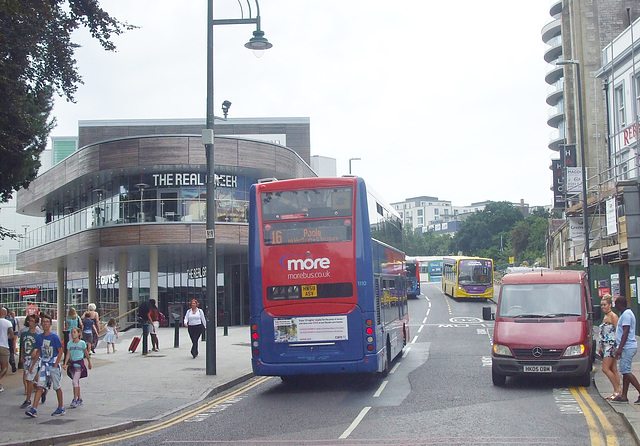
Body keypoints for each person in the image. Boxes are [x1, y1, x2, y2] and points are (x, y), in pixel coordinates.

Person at [26, 313, 65, 417]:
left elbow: (60, 351)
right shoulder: (39, 337)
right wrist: (33, 365)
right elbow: (38, 351)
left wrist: (56, 364)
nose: (45, 324)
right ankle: (34, 408)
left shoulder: (54, 337)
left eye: (47, 322)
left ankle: (61, 407)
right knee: (40, 386)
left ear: (50, 324)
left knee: (57, 387)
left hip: (52, 364)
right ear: (41, 324)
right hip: (44, 364)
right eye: (43, 322)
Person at [612, 297, 640, 403]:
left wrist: (620, 348)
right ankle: (624, 396)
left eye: (616, 304)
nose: (615, 306)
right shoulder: (626, 314)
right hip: (627, 347)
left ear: (620, 304)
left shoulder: (627, 315)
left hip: (627, 347)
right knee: (625, 371)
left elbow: (626, 331)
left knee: (626, 371)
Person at [63, 327, 92, 408]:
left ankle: (74, 399)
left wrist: (89, 362)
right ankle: (79, 398)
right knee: (76, 382)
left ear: (79, 333)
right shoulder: (69, 344)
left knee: (74, 381)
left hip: (79, 364)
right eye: (72, 332)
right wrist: (65, 363)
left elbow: (86, 353)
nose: (73, 334)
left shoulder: (82, 343)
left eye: (74, 332)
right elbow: (68, 354)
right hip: (72, 364)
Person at [599, 294, 621, 399]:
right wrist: (600, 347)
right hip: (605, 345)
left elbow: (618, 331)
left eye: (605, 305)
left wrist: (618, 347)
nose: (603, 307)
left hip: (611, 345)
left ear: (610, 305)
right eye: (601, 305)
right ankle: (616, 392)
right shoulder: (606, 316)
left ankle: (617, 390)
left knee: (605, 368)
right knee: (613, 368)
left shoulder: (613, 316)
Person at [19, 314, 42, 408]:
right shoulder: (24, 334)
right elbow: (22, 345)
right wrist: (21, 355)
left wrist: (35, 354)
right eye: (29, 321)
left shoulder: (37, 336)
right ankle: (41, 389)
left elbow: (39, 349)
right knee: (29, 378)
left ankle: (28, 399)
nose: (30, 323)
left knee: (29, 379)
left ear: (36, 323)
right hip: (26, 357)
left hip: (34, 359)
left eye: (32, 321)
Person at [0, 307, 16, 393]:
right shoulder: (8, 323)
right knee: (5, 367)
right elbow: (12, 335)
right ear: (6, 314)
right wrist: (7, 337)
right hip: (3, 346)